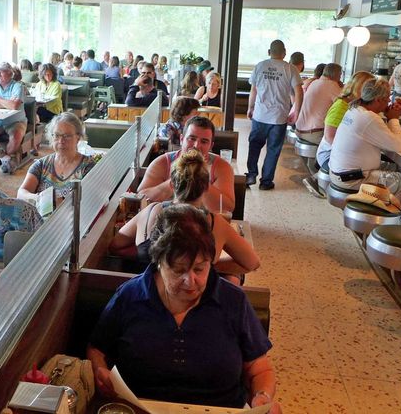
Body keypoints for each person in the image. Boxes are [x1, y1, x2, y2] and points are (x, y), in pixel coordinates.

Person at [88, 204, 279, 411]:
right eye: (179, 270)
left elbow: (259, 369)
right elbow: (97, 348)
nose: (191, 281)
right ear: (159, 261)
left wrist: (262, 396)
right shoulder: (129, 296)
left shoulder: (234, 301)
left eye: (200, 268)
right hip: (142, 408)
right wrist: (100, 369)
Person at [111, 150, 259, 279]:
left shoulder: (150, 212)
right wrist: (206, 266)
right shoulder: (215, 223)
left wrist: (147, 257)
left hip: (144, 300)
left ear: (171, 184)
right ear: (207, 187)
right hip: (192, 305)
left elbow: (116, 246)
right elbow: (252, 263)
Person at [139, 116, 235, 213]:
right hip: (165, 222)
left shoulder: (221, 167)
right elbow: (141, 198)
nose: (197, 145)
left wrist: (200, 181)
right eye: (192, 138)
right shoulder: (163, 163)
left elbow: (227, 207)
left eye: (204, 141)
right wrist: (177, 179)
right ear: (181, 139)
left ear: (211, 146)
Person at [329, 79, 401, 194]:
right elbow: (397, 146)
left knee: (394, 168)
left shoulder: (354, 109)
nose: (389, 101)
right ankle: (390, 211)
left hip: (339, 173)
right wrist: (394, 118)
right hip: (353, 179)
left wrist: (389, 116)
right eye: (387, 99)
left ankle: (382, 206)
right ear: (378, 100)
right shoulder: (369, 117)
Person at [245, 39, 303, 190]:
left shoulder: (260, 66)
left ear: (269, 52)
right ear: (284, 53)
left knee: (254, 146)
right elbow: (299, 92)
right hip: (278, 118)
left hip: (260, 115)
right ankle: (266, 182)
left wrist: (250, 108)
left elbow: (254, 90)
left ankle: (251, 175)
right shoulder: (290, 69)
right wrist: (296, 111)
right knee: (273, 150)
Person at [18, 112, 96, 204]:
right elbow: (21, 194)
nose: (61, 141)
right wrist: (40, 198)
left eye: (67, 136)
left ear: (78, 138)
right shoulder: (41, 165)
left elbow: (90, 201)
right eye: (56, 135)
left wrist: (60, 201)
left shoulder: (88, 167)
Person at [316, 71, 374, 168]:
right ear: (361, 88)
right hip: (328, 155)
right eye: (370, 89)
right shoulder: (340, 106)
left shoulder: (353, 104)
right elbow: (329, 136)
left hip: (337, 153)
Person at [0, 62, 28, 174]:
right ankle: (4, 157)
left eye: (1, 71)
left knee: (16, 136)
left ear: (10, 73)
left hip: (16, 121)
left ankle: (5, 158)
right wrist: (6, 103)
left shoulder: (18, 86)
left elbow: (14, 106)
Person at [295, 63, 343, 145]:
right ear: (337, 75)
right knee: (344, 143)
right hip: (313, 134)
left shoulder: (314, 82)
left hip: (299, 129)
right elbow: (344, 104)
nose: (340, 77)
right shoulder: (332, 84)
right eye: (340, 75)